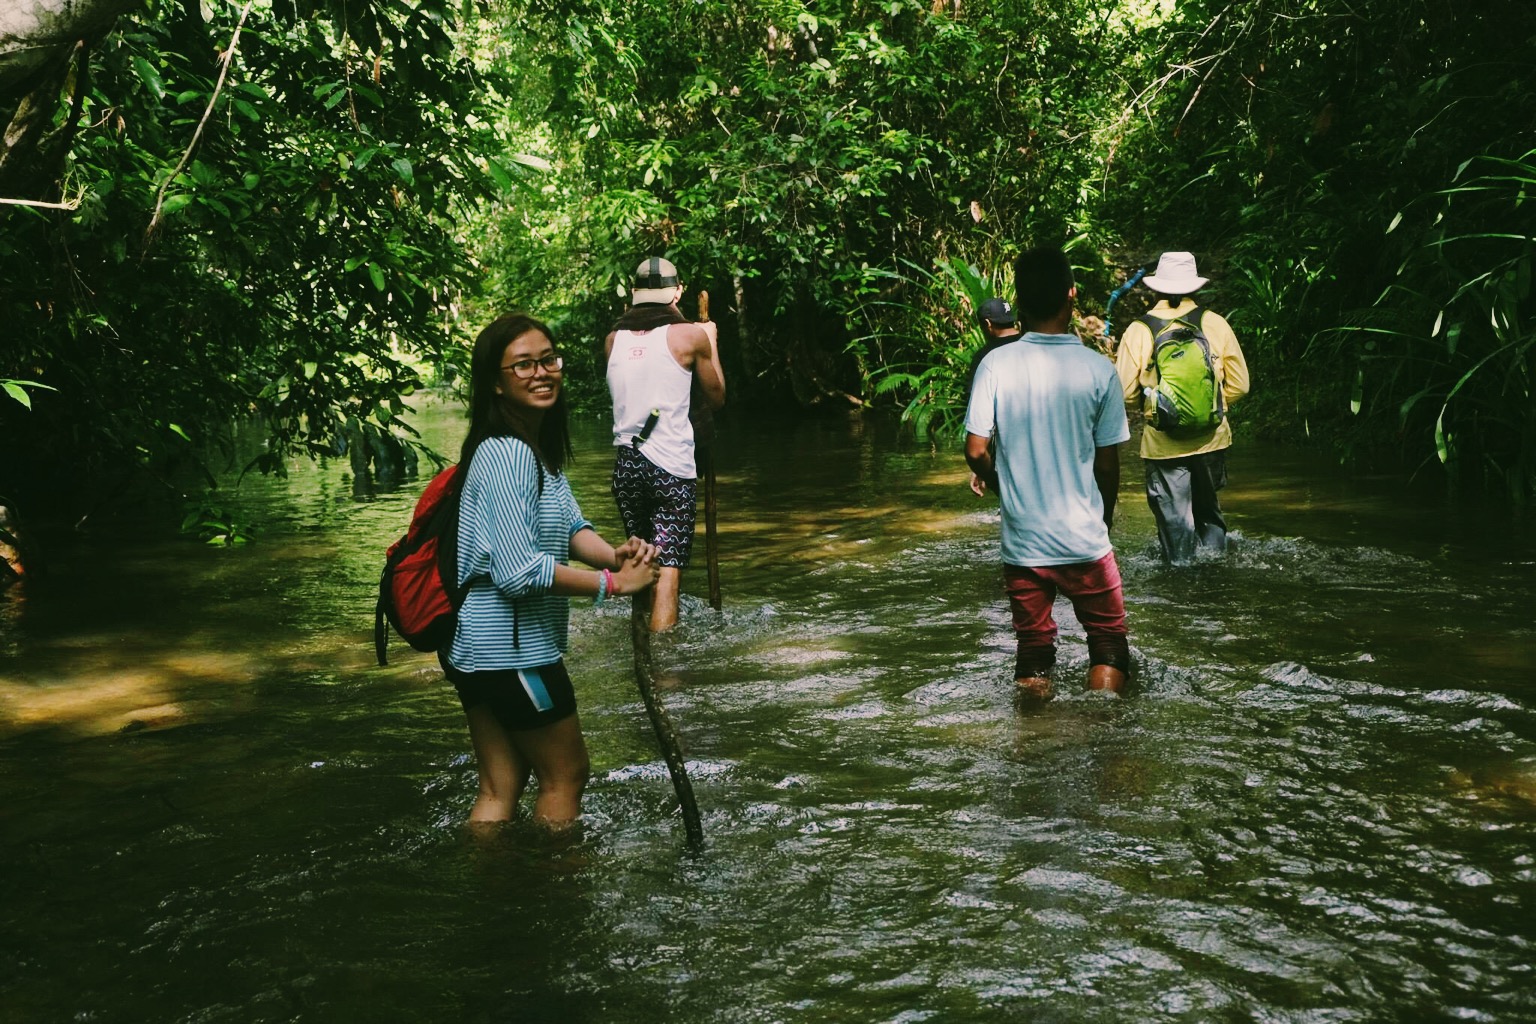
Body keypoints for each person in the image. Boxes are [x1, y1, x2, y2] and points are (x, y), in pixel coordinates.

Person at [443, 312, 660, 826]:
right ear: (495, 383)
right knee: (566, 775)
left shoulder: (532, 450)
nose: (541, 373)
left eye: (548, 360)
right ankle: (555, 876)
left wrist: (614, 556)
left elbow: (571, 528)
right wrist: (613, 585)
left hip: (479, 649)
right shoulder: (508, 454)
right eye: (523, 365)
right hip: (512, 653)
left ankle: (492, 874)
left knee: (500, 787)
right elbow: (518, 572)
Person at [965, 247, 1132, 703]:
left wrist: (1004, 488)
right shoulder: (1099, 370)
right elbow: (1107, 465)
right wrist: (1104, 520)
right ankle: (1103, 726)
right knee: (1108, 643)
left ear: (1019, 301)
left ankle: (1035, 736)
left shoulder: (995, 364)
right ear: (1071, 295)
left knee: (1034, 651)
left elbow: (976, 450)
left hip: (1024, 543)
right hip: (1084, 537)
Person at [606, 257, 726, 632]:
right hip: (670, 468)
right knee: (668, 566)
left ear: (634, 294)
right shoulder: (690, 336)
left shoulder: (613, 340)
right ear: (677, 293)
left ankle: (642, 643)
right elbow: (717, 396)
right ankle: (666, 654)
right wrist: (710, 339)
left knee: (642, 562)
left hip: (627, 465)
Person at [1113, 252, 1250, 564]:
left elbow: (1124, 392)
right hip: (1212, 439)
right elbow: (1241, 385)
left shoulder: (1139, 329)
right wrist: (1214, 406)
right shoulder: (1215, 323)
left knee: (1176, 527)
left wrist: (1155, 410)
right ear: (1194, 287)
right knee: (1209, 515)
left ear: (1156, 288)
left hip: (1164, 446)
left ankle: (1180, 581)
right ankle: (1217, 573)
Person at [965, 297, 1023, 497]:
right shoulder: (1034, 345)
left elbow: (981, 422)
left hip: (1007, 447)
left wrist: (983, 470)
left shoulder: (985, 358)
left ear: (987, 324)